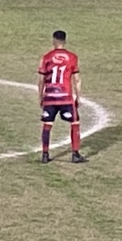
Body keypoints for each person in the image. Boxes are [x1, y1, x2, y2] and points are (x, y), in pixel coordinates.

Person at [38, 30, 87, 164]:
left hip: (50, 96)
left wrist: (40, 96)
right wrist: (78, 96)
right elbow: (77, 80)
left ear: (54, 40)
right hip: (65, 96)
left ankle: (45, 154)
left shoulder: (46, 57)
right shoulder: (72, 57)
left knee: (47, 124)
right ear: (64, 41)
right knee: (75, 122)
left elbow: (41, 80)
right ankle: (75, 154)